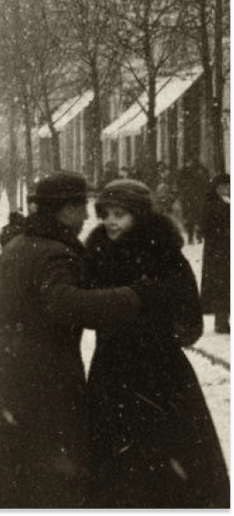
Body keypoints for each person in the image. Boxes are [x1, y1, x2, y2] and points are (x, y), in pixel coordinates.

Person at [0, 172, 159, 509]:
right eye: (82, 208)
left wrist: (20, 326)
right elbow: (65, 304)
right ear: (66, 210)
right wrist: (131, 296)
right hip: (46, 376)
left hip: (5, 368)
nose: (88, 217)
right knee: (46, 476)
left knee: (4, 468)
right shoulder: (57, 253)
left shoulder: (19, 245)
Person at [81, 179, 231, 510]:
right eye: (105, 214)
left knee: (164, 469)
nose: (110, 222)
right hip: (113, 374)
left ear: (140, 215)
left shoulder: (165, 256)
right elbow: (84, 309)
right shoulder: (96, 254)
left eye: (120, 214)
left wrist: (153, 331)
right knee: (119, 470)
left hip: (159, 376)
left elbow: (190, 323)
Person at [201, 173, 231, 334]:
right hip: (218, 253)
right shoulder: (212, 205)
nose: (227, 189)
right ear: (217, 188)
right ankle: (221, 322)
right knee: (222, 287)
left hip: (228, 251)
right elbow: (208, 228)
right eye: (224, 186)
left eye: (228, 186)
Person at [176, 158, 211, 244]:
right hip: (192, 198)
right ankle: (194, 237)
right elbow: (179, 184)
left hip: (193, 198)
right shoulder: (198, 171)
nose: (189, 163)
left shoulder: (199, 171)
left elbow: (179, 184)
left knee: (195, 218)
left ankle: (195, 237)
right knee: (194, 218)